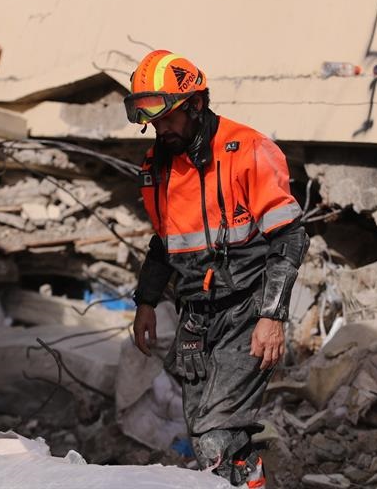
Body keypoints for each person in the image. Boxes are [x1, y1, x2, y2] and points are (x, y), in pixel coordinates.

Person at [126, 50, 308, 487]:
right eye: (153, 120)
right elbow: (163, 243)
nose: (161, 129)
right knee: (211, 437)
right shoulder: (158, 166)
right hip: (195, 316)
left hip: (248, 310)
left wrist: (272, 316)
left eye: (169, 117)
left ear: (196, 104)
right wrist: (146, 302)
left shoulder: (249, 150)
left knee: (214, 436)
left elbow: (289, 237)